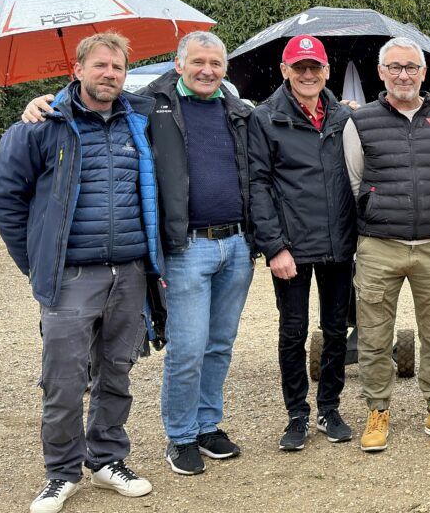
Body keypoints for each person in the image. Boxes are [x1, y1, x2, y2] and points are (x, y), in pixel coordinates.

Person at [22, 31, 256, 476]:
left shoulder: (239, 111)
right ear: (179, 64)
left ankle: (208, 425)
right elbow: (94, 101)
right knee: (188, 347)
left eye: (216, 63)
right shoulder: (150, 105)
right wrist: (44, 101)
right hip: (186, 245)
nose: (207, 70)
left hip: (237, 244)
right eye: (198, 61)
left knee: (219, 344)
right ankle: (181, 435)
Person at [0, 32, 157, 513]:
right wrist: (39, 262)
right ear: (77, 69)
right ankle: (60, 473)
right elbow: (4, 202)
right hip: (72, 276)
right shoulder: (39, 127)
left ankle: (107, 460)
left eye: (118, 67)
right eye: (100, 65)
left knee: (116, 372)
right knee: (63, 380)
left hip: (129, 272)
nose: (110, 74)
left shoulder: (141, 120)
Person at [343, 36, 430, 452]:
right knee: (375, 337)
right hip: (380, 245)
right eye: (395, 67)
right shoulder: (361, 121)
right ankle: (377, 409)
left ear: (423, 72)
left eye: (411, 67)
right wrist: (377, 208)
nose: (403, 75)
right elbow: (355, 180)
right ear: (381, 72)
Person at [247, 34, 356, 451]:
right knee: (293, 332)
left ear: (326, 70)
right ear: (285, 70)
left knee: (335, 329)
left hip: (338, 241)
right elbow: (257, 185)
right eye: (299, 67)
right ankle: (297, 413)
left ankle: (329, 407)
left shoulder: (344, 117)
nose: (307, 74)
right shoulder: (265, 118)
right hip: (291, 246)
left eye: (314, 67)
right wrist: (274, 247)